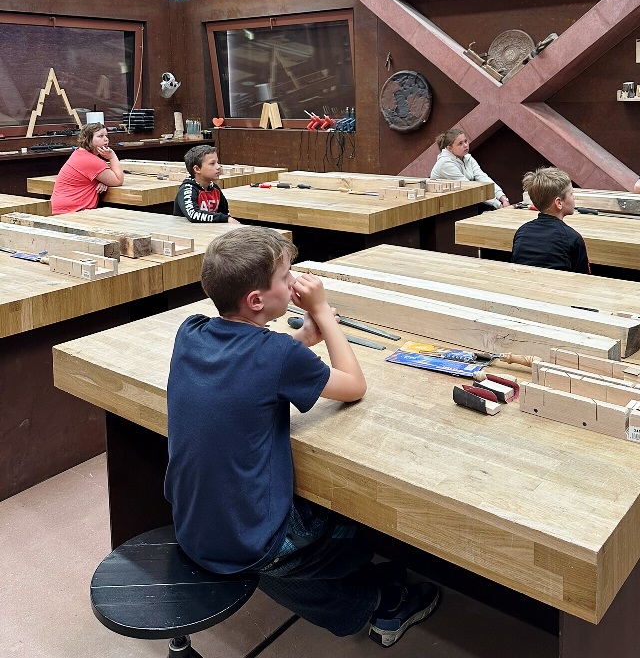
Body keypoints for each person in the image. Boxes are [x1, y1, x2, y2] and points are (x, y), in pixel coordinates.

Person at [164, 227, 440, 646]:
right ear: (257, 300)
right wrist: (323, 312)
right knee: (353, 525)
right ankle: (372, 604)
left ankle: (348, 584)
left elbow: (251, 364)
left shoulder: (190, 331)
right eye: (285, 277)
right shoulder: (278, 354)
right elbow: (354, 386)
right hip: (251, 542)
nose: (294, 282)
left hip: (193, 528)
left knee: (284, 539)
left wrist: (302, 339)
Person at [511, 167, 590, 274]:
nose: (574, 198)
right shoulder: (572, 238)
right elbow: (584, 278)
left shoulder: (522, 232)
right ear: (559, 203)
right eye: (571, 194)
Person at [50, 122, 124, 215]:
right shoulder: (91, 160)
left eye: (106, 135)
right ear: (88, 139)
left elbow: (88, 177)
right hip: (69, 212)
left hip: (62, 209)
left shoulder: (79, 153)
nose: (106, 139)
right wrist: (112, 157)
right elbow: (118, 180)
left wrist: (102, 181)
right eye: (100, 136)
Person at [430, 129, 510, 208]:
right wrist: (498, 204)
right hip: (445, 203)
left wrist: (503, 199)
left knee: (495, 185)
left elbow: (482, 177)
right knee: (478, 199)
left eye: (465, 141)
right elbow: (468, 187)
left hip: (464, 194)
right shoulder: (445, 164)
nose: (465, 145)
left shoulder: (467, 157)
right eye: (460, 143)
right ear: (449, 148)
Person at [173, 145, 239, 224]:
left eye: (217, 162)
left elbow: (225, 213)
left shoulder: (215, 188)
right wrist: (225, 219)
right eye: (212, 163)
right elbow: (193, 214)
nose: (218, 167)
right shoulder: (187, 189)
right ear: (197, 169)